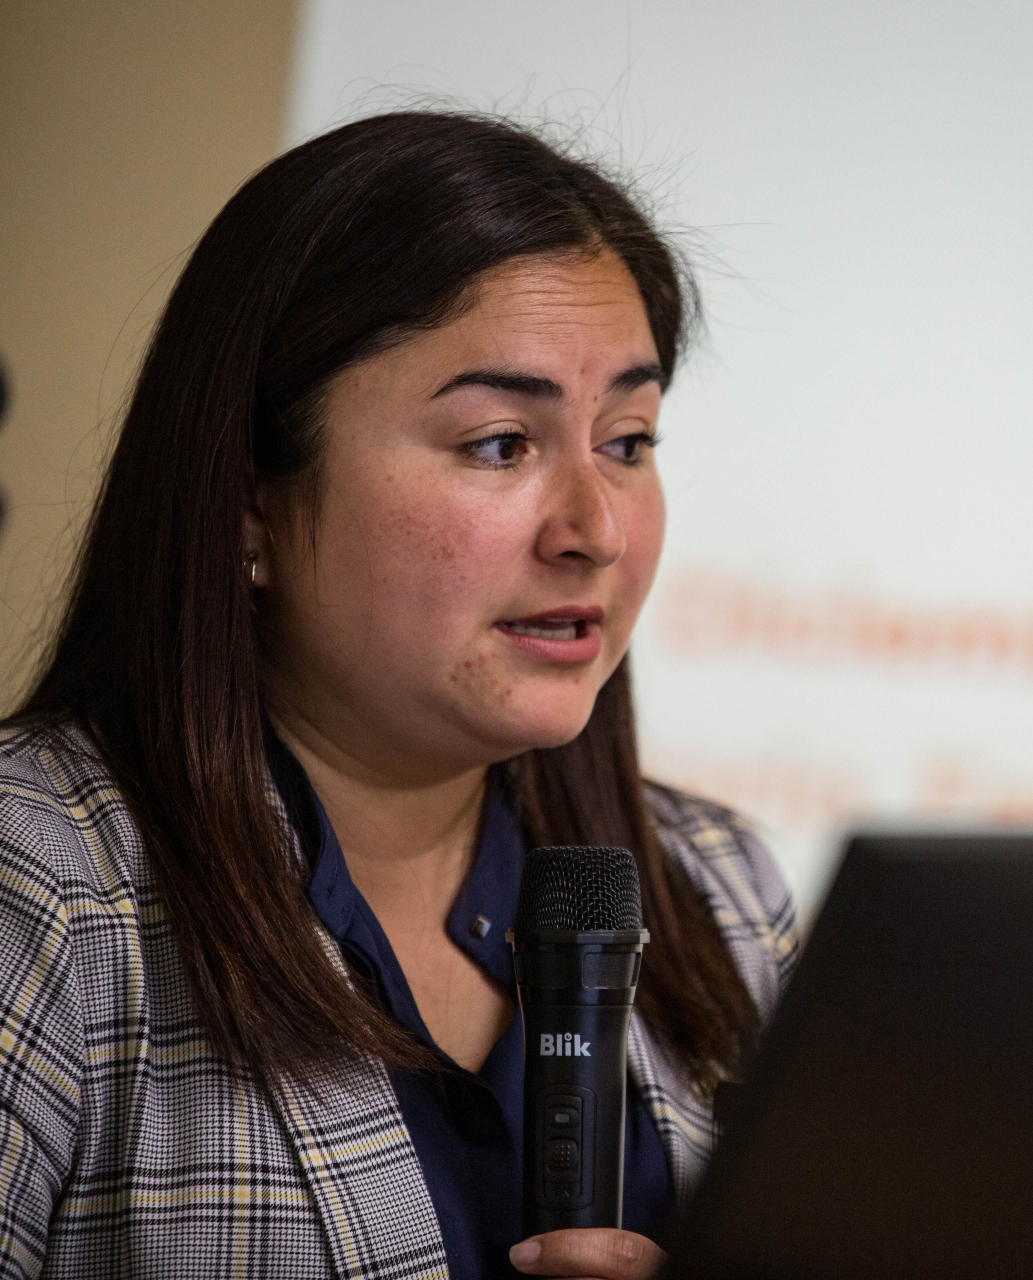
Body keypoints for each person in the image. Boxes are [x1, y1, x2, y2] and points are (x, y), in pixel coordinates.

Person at [0, 111, 798, 1280]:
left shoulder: (724, 889)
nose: (596, 528)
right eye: (500, 443)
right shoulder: (38, 881)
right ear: (253, 503)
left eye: (628, 440)